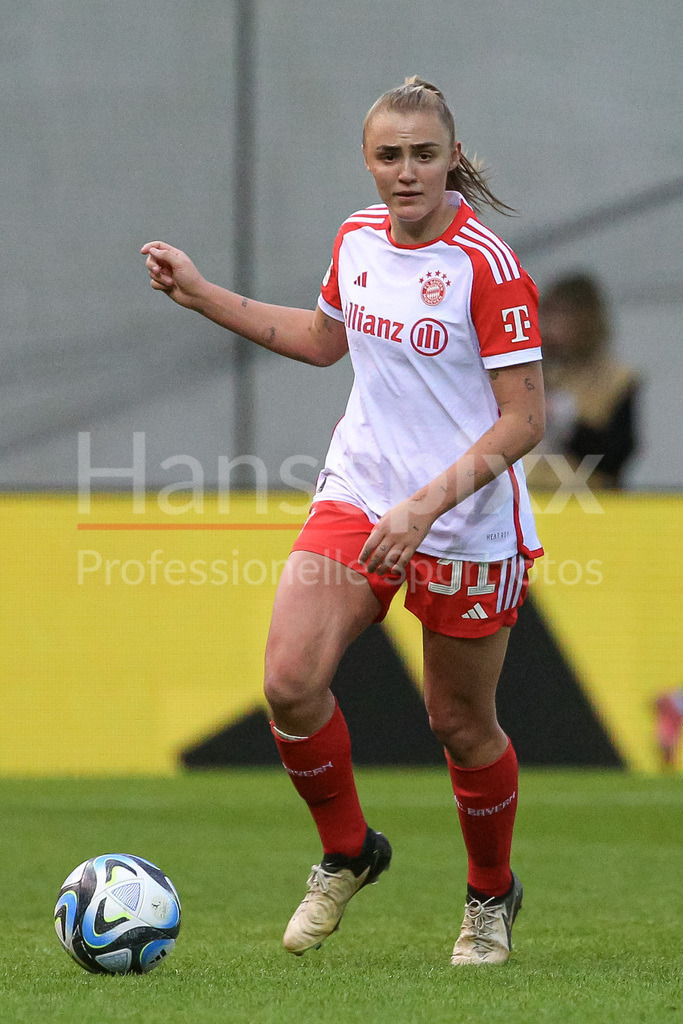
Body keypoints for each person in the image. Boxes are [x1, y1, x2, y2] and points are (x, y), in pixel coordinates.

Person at [142, 76, 545, 966]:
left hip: (462, 522)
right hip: (359, 492)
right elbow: (325, 343)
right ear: (367, 160)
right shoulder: (356, 238)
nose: (406, 173)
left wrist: (424, 507)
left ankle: (488, 898)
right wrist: (204, 294)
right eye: (388, 156)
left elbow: (525, 419)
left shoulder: (487, 268)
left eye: (423, 155)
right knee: (289, 679)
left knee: (458, 725)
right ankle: (349, 851)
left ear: (451, 160)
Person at [525, 273, 639, 491]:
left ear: (587, 320)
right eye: (548, 314)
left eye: (564, 315)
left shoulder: (617, 380)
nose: (551, 326)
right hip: (530, 500)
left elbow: (616, 455)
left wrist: (568, 424)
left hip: (588, 502)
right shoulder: (526, 372)